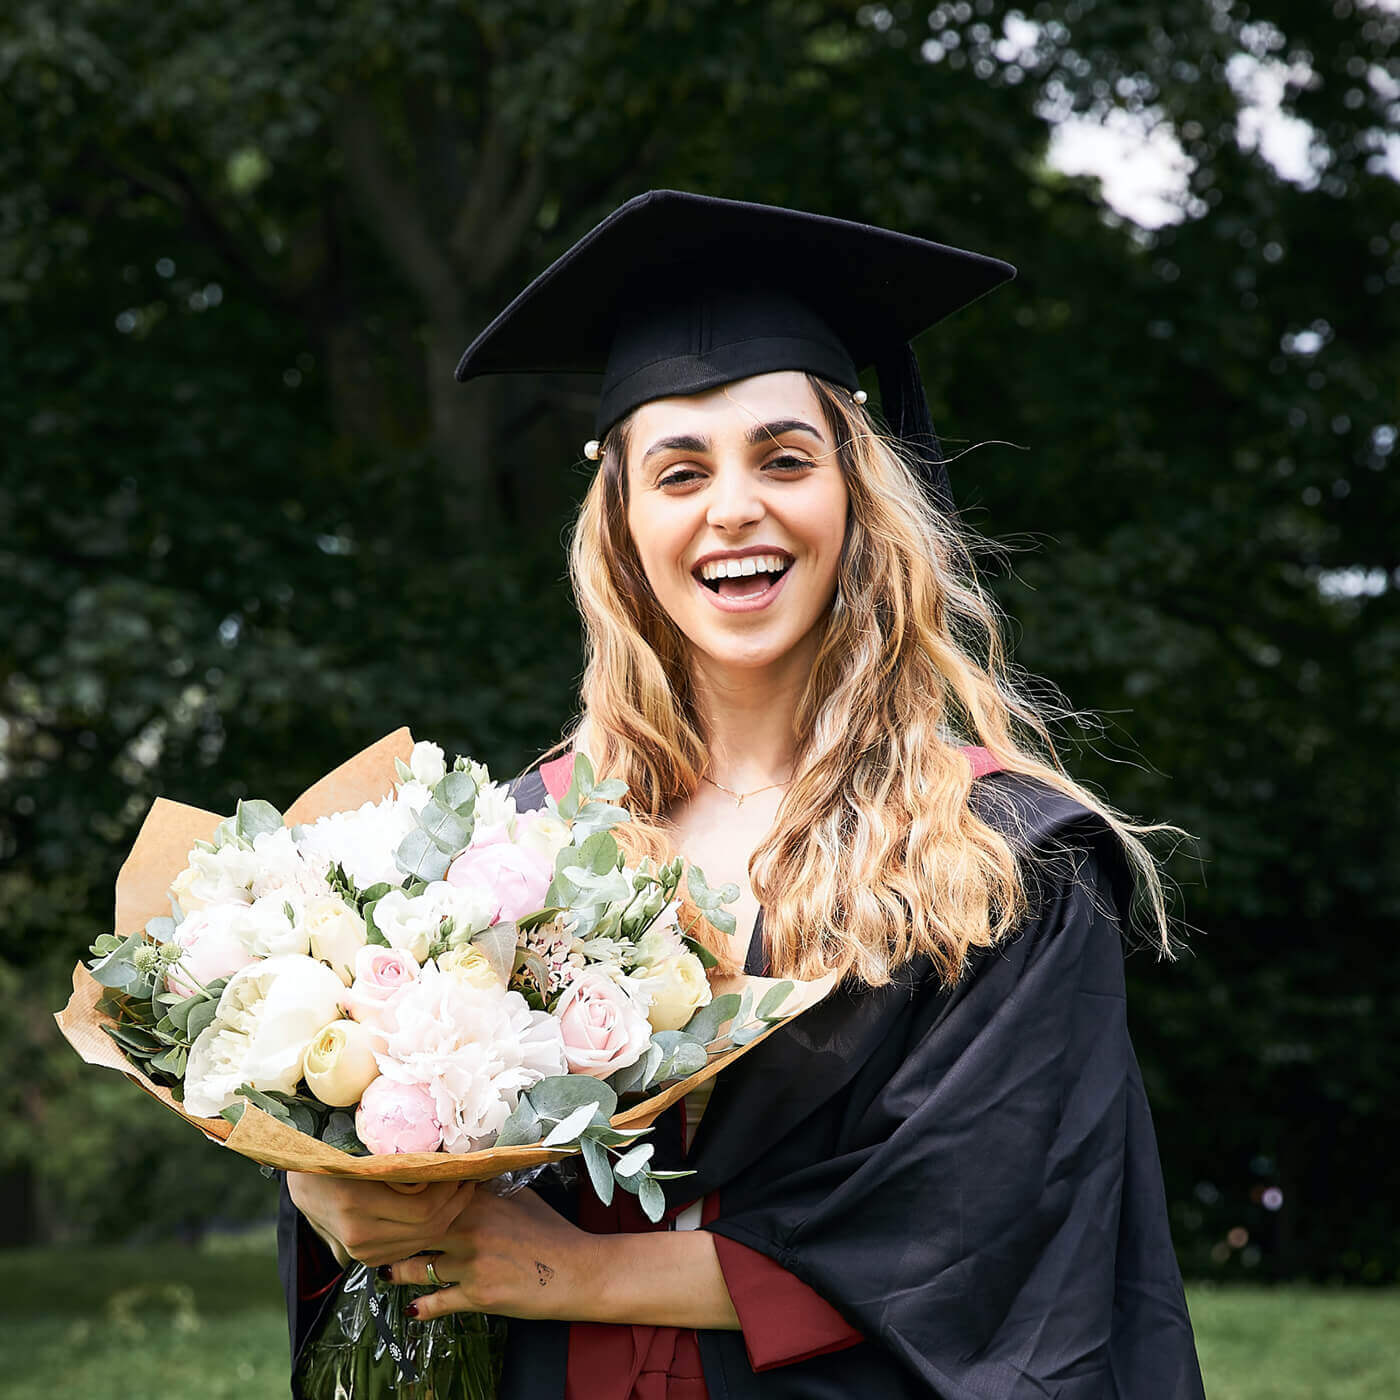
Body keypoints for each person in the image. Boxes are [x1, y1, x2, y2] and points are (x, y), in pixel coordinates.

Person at [279, 191, 1206, 1398]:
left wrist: (582, 1273)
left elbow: (985, 1230)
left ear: (854, 496)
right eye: (677, 471)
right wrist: (331, 1173)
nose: (733, 507)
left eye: (783, 457)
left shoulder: (995, 855)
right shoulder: (510, 841)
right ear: (619, 518)